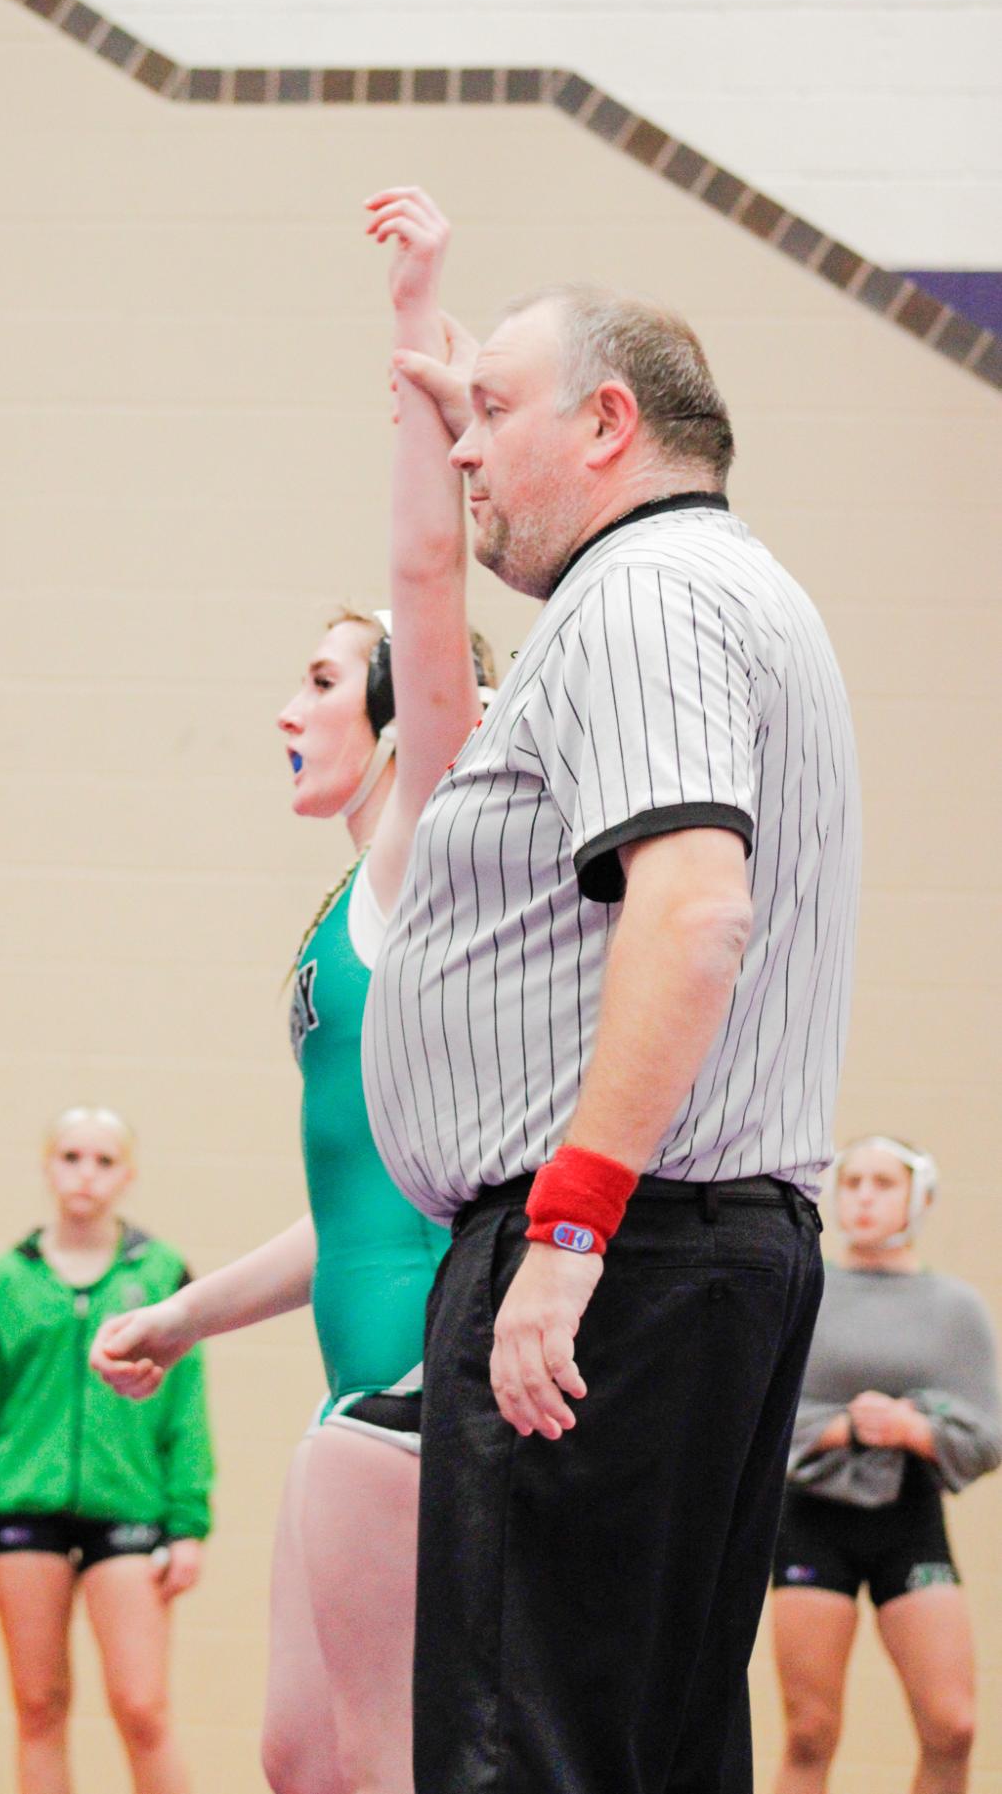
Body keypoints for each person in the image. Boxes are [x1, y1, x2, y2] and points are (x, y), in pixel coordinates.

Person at [362, 274, 862, 1794]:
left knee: (529, 1756)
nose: (467, 448)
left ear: (608, 423)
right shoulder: (727, 589)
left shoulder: (645, 596)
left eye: (495, 410)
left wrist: (570, 1233)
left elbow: (695, 907)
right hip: (684, 1255)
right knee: (640, 1753)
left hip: (615, 1256)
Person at [90, 189, 492, 1794]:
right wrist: (186, 1317)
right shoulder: (350, 909)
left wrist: (414, 325)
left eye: (321, 679)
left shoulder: (418, 844)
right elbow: (364, 1197)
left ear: (401, 723)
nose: (284, 707)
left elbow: (425, 584)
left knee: (388, 1772)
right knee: (294, 1762)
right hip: (351, 1386)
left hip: (414, 1389)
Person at [0, 1104, 213, 1794]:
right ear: (48, 1164)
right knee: (38, 1708)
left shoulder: (165, 1274)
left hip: (130, 1509)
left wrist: (189, 1522)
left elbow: (188, 1410)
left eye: (104, 1159)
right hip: (23, 1512)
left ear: (128, 1174)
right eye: (71, 1156)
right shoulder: (4, 1282)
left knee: (143, 1709)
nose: (86, 1173)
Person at [771, 1135, 1001, 1794]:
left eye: (883, 1183)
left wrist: (914, 1427)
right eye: (853, 1182)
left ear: (918, 1198)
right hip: (812, 1521)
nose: (864, 1196)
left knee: (952, 1724)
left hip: (909, 1518)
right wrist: (839, 1428)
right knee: (811, 1730)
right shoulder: (803, 1288)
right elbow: (763, 1418)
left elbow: (987, 1434)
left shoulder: (955, 1309)